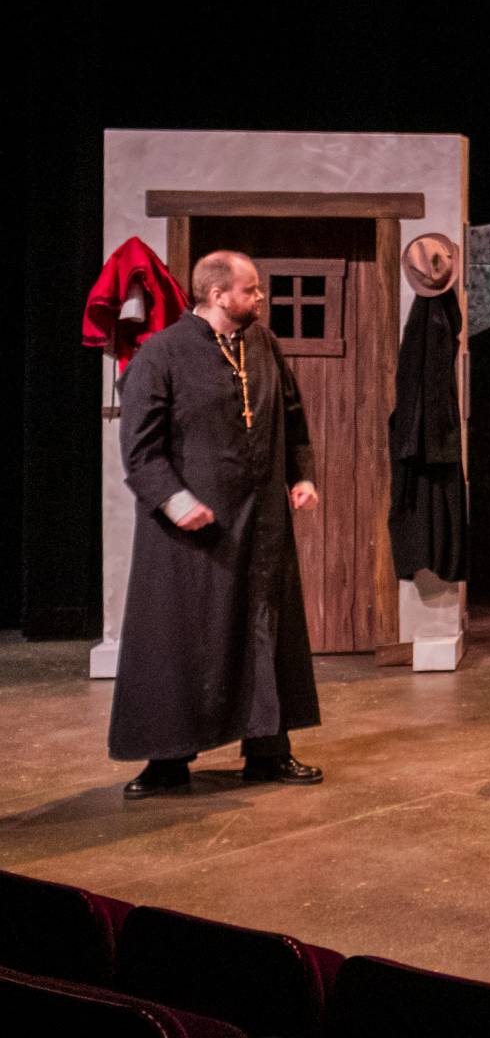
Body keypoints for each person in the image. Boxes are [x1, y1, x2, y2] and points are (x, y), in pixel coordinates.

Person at [110, 251, 324, 798]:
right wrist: (175, 502)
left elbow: (292, 414)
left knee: (266, 627)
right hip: (190, 531)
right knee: (181, 637)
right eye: (251, 290)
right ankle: (168, 760)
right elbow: (140, 449)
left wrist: (300, 476)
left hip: (261, 521)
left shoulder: (263, 344)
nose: (260, 298)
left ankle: (269, 752)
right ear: (217, 295)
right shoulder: (161, 354)